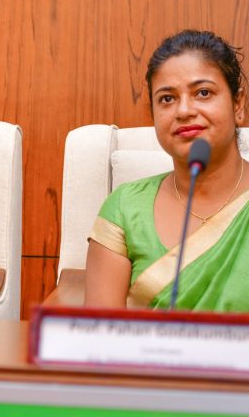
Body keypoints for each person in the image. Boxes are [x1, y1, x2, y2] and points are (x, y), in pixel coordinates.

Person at [85, 29, 249, 312]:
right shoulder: (125, 208)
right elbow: (100, 333)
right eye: (167, 99)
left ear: (238, 104)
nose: (183, 111)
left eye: (203, 93)